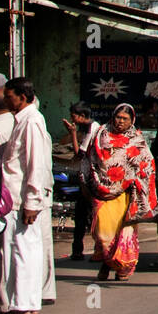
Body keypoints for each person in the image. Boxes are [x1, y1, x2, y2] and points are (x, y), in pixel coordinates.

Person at [0, 78, 54, 314]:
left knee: (23, 252)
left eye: (9, 96)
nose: (6, 101)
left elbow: (36, 164)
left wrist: (32, 201)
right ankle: (27, 305)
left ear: (22, 96)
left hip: (22, 202)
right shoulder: (22, 121)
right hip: (17, 201)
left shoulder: (32, 121)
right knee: (23, 252)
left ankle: (24, 307)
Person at [83, 104, 157, 282]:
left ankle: (112, 267)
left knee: (122, 231)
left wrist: (136, 181)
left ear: (132, 120)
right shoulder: (101, 134)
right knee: (103, 231)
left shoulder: (136, 140)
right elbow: (89, 157)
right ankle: (107, 262)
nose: (120, 121)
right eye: (118, 117)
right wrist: (87, 182)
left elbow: (147, 164)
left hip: (126, 194)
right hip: (102, 192)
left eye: (125, 119)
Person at [56, 101, 98, 260]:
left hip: (90, 179)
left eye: (74, 116)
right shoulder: (89, 128)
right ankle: (79, 250)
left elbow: (79, 154)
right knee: (83, 215)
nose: (72, 119)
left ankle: (91, 250)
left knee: (88, 214)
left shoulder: (92, 129)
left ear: (82, 116)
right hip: (86, 176)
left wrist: (72, 133)